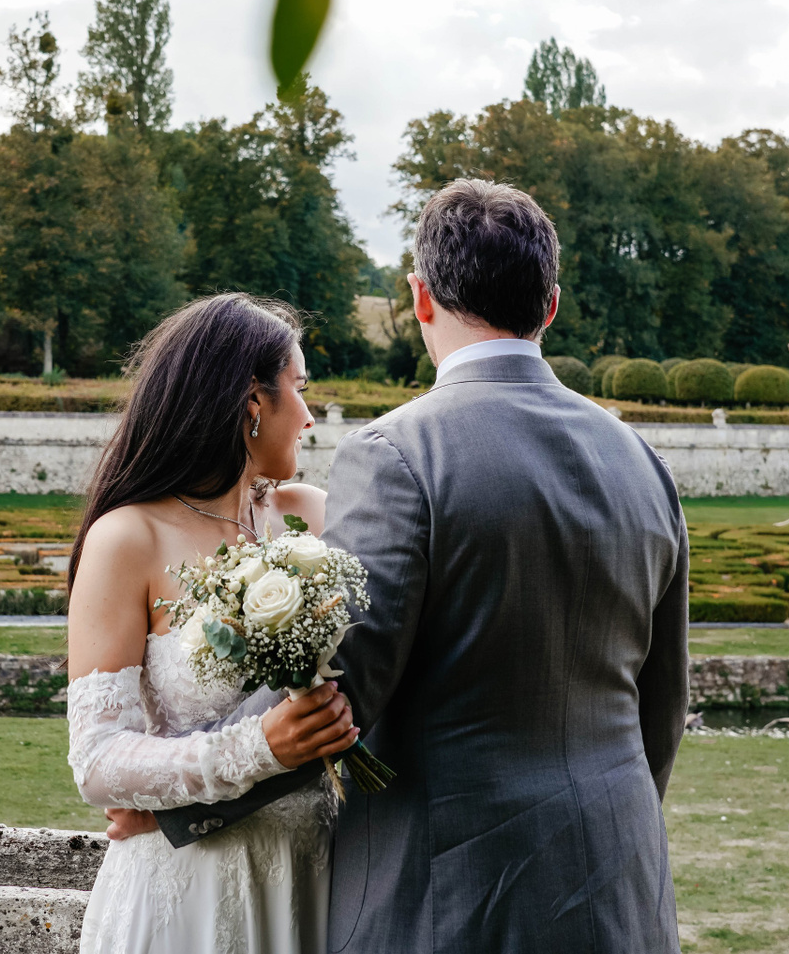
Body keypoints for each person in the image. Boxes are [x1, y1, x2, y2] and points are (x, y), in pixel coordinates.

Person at [152, 178, 690, 953]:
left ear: (420, 296)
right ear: (550, 305)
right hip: (623, 890)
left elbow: (344, 681)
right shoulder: (643, 462)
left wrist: (177, 790)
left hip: (452, 903)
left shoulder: (397, 453)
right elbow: (662, 706)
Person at [66, 293, 361, 954]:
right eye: (300, 388)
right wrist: (260, 748)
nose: (310, 416)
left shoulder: (313, 516)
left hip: (319, 877)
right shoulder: (128, 538)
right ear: (254, 402)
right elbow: (98, 760)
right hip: (190, 893)